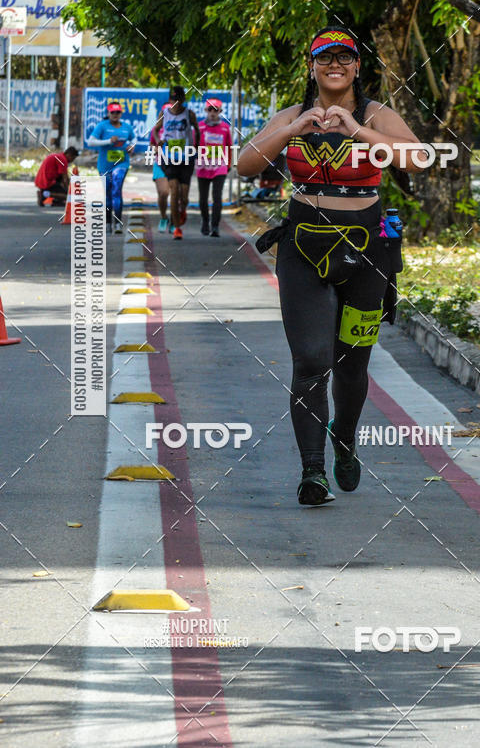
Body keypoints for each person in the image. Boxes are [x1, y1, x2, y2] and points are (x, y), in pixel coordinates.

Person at [237, 25, 428, 506]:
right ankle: (312, 472)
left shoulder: (376, 113)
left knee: (351, 366)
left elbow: (419, 158)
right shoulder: (293, 114)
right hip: (303, 251)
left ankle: (345, 439)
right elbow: (245, 165)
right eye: (325, 59)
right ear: (312, 66)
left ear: (357, 66)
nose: (335, 66)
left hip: (368, 256)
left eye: (344, 58)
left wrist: (356, 129)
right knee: (311, 363)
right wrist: (289, 131)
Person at [152, 85, 200, 240]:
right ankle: (177, 228)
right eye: (173, 100)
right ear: (169, 100)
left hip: (186, 157)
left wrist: (196, 146)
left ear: (183, 100)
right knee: (174, 191)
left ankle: (182, 210)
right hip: (170, 158)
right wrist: (159, 140)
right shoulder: (164, 113)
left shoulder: (189, 114)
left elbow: (197, 130)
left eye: (178, 100)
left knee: (184, 196)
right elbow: (155, 129)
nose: (176, 103)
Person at [88, 102, 136, 234]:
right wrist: (108, 141)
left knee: (116, 189)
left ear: (121, 114)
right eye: (112, 112)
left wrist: (132, 146)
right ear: (108, 113)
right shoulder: (102, 126)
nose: (115, 115)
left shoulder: (126, 127)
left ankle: (118, 223)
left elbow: (134, 138)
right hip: (105, 165)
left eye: (117, 112)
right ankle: (108, 223)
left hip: (122, 163)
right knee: (108, 194)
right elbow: (90, 141)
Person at [196, 97, 232, 236]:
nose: (212, 113)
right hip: (203, 166)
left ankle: (215, 226)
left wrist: (229, 164)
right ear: (206, 110)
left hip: (219, 166)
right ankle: (205, 221)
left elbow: (229, 147)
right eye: (210, 109)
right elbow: (193, 145)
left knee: (217, 196)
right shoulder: (199, 127)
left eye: (215, 110)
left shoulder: (225, 128)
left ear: (220, 111)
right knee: (202, 198)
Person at [150, 102, 171, 233]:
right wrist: (157, 148)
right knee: (164, 193)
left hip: (178, 164)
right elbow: (151, 145)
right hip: (160, 164)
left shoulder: (182, 128)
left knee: (178, 195)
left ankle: (175, 221)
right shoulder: (156, 130)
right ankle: (164, 217)